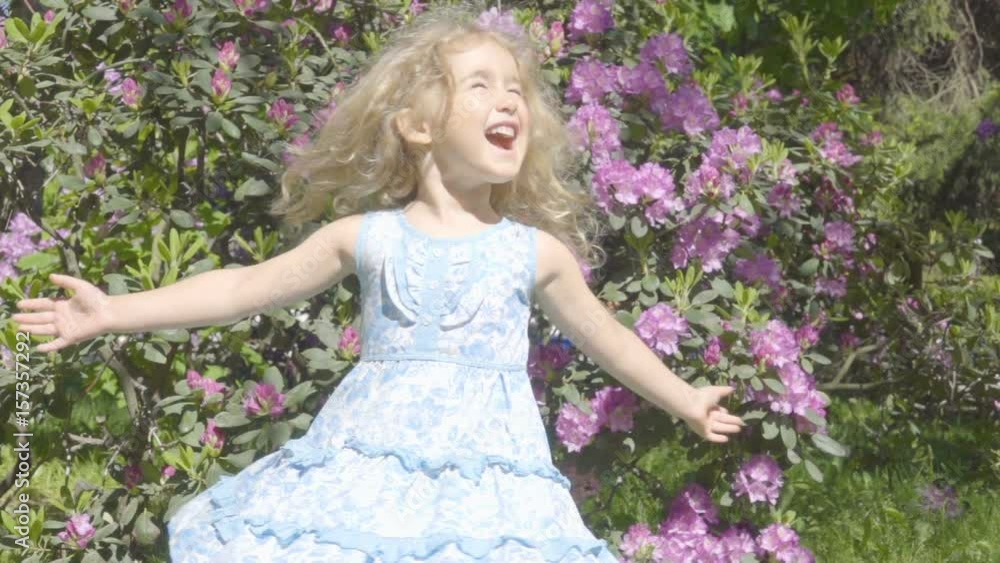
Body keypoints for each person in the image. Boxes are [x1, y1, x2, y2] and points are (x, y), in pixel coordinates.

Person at [13, 2, 746, 561]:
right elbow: (243, 288)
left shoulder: (534, 253)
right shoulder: (370, 237)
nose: (510, 102)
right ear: (417, 126)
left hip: (489, 493)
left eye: (517, 90)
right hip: (365, 481)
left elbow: (607, 338)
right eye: (481, 85)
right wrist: (113, 310)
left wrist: (685, 399)